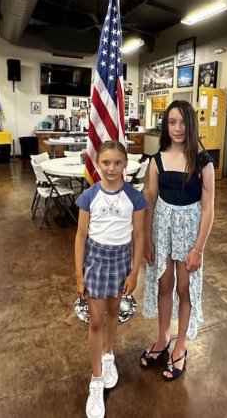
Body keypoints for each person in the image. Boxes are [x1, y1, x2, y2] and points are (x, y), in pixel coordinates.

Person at [140, 100, 215, 381]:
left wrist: (198, 249)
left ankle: (181, 343)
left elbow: (208, 208)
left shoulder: (203, 161)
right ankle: (163, 338)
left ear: (191, 124)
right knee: (164, 284)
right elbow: (150, 199)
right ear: (165, 125)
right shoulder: (156, 159)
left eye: (183, 122)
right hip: (162, 229)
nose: (178, 128)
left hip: (189, 232)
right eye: (172, 122)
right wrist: (146, 240)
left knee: (184, 287)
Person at [75, 140, 147, 418]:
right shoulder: (89, 196)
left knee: (114, 310)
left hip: (120, 260)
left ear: (125, 164)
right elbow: (81, 236)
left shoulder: (135, 198)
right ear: (97, 165)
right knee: (95, 321)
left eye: (118, 162)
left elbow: (139, 236)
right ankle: (95, 380)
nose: (112, 168)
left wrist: (134, 270)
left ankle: (108, 355)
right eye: (106, 162)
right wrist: (78, 274)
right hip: (94, 260)